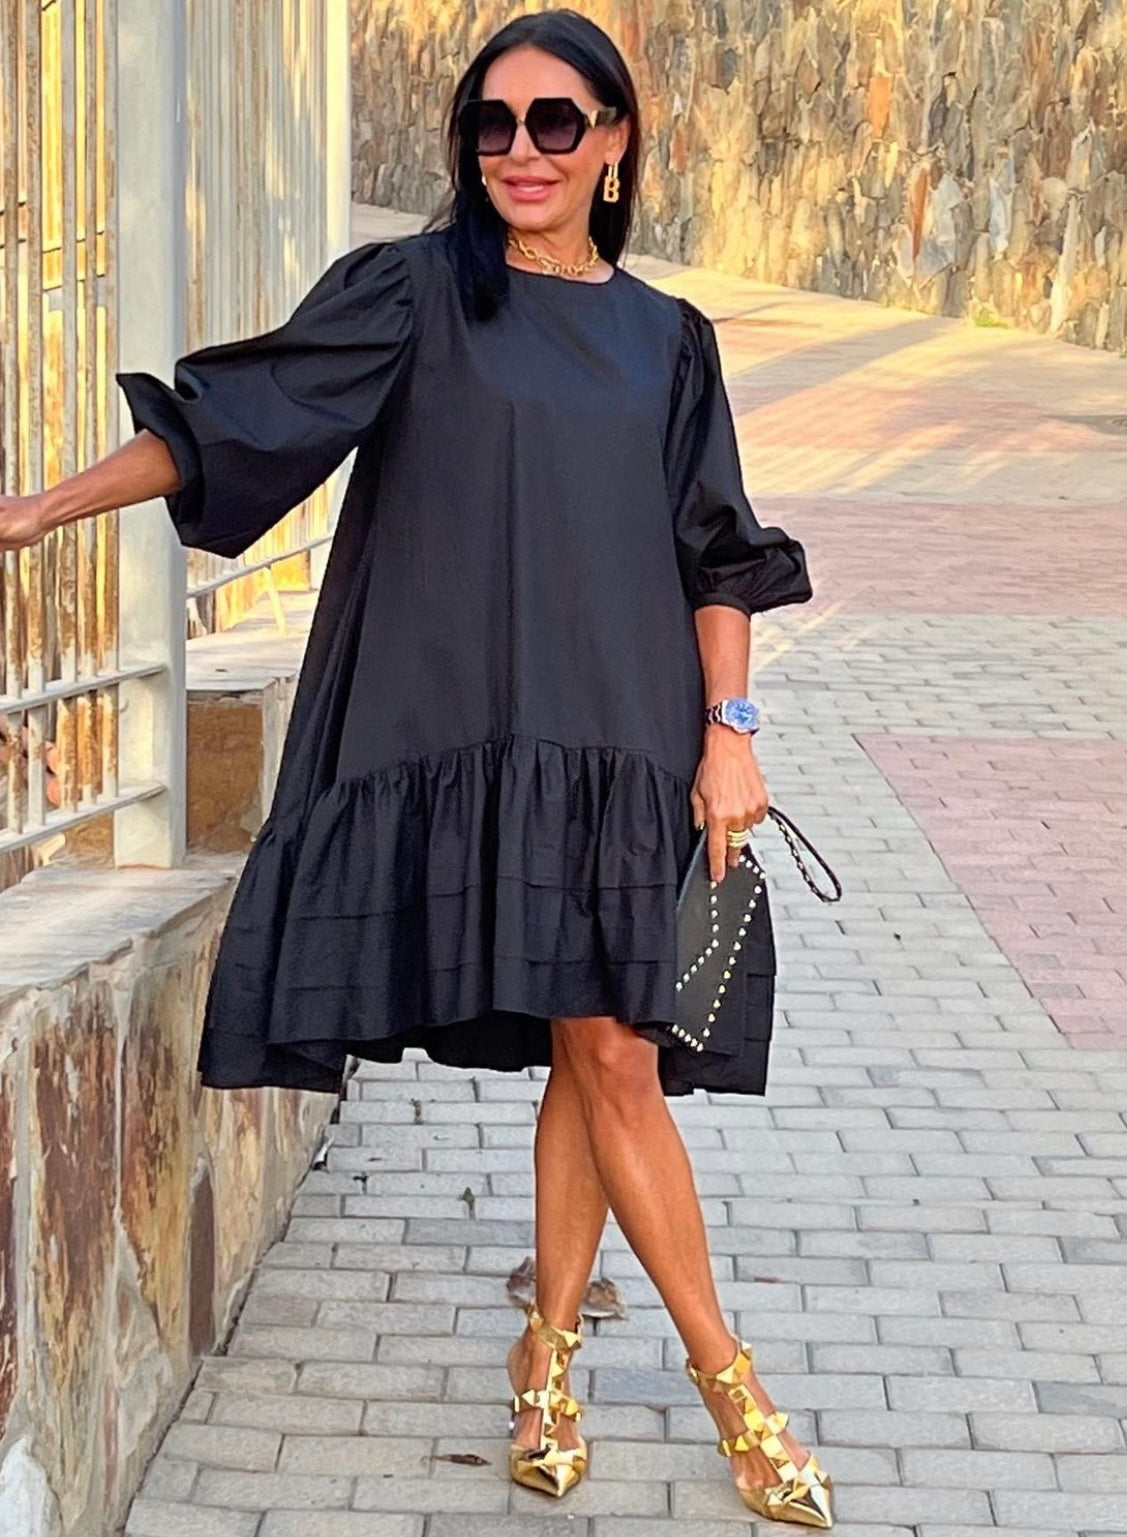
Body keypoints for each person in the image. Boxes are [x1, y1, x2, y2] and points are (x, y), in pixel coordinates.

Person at [0, 10, 831, 1527]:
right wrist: (37, 509)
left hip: (624, 742)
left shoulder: (669, 339)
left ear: (614, 143)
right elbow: (234, 423)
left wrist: (732, 733)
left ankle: (559, 1358)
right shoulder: (414, 295)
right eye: (492, 125)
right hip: (464, 732)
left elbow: (719, 551)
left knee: (608, 1052)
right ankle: (720, 1386)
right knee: (600, 1048)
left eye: (555, 122)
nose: (521, 151)